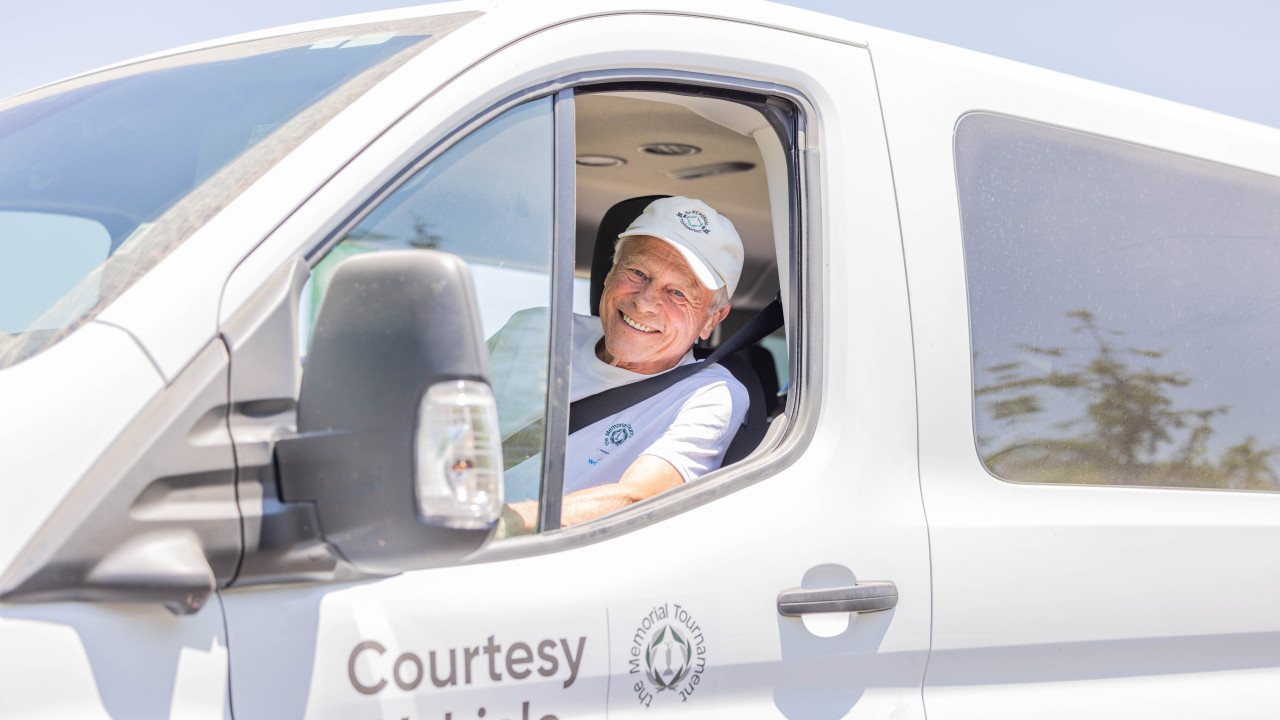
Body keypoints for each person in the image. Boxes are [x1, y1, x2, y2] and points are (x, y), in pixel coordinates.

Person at [489, 196, 748, 534]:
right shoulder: (535, 329)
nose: (645, 301)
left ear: (712, 319)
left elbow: (639, 498)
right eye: (638, 272)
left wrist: (497, 525)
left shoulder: (710, 395)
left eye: (678, 293)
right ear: (611, 271)